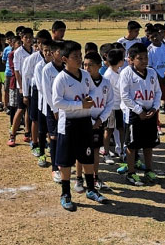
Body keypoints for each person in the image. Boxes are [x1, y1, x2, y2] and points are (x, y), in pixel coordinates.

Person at [53, 41, 106, 211]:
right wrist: (79, 105)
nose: (79, 59)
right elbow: (57, 102)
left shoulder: (85, 75)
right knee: (66, 161)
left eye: (79, 55)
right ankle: (66, 193)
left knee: (87, 156)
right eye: (75, 56)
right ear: (64, 59)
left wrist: (89, 101)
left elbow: (91, 91)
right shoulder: (61, 78)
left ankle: (91, 189)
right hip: (68, 123)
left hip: (85, 122)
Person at [119, 43, 161, 186]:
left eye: (145, 58)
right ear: (131, 59)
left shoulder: (152, 72)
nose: (144, 61)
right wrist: (139, 111)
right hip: (134, 114)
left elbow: (157, 92)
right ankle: (131, 173)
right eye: (140, 58)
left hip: (150, 113)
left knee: (149, 144)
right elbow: (125, 96)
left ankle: (149, 170)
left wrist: (155, 108)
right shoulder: (126, 73)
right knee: (132, 145)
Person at [84, 52, 114, 190]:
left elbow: (109, 103)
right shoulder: (82, 82)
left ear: (99, 65)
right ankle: (80, 178)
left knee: (95, 150)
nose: (87, 68)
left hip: (99, 122)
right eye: (85, 65)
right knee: (82, 151)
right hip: (84, 121)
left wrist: (100, 120)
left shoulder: (106, 83)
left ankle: (96, 177)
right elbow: (79, 102)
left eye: (90, 65)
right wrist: (90, 121)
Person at [23, 30, 52, 154]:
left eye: (43, 43)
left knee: (49, 120)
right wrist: (25, 94)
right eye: (38, 42)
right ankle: (34, 143)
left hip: (51, 92)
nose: (40, 45)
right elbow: (26, 76)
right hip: (36, 90)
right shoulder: (33, 58)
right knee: (35, 118)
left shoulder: (53, 57)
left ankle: (49, 143)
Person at [40, 40, 64, 182]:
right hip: (53, 109)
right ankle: (55, 168)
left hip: (66, 108)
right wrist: (55, 109)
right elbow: (46, 92)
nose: (61, 55)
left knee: (65, 137)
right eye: (59, 52)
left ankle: (64, 163)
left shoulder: (67, 68)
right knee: (54, 137)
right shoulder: (47, 69)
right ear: (53, 53)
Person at [147, 26, 165, 135]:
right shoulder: (149, 50)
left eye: (157, 35)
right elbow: (150, 67)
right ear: (149, 38)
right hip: (155, 81)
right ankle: (157, 125)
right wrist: (159, 78)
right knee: (156, 103)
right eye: (152, 37)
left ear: (161, 35)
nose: (155, 38)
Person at [10, 28, 34, 143]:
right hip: (22, 86)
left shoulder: (35, 50)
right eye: (26, 37)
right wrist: (21, 88)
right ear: (22, 38)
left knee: (29, 109)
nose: (29, 39)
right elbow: (17, 71)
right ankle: (12, 135)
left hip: (33, 85)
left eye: (30, 37)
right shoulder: (18, 52)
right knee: (20, 109)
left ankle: (27, 132)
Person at [103, 44, 125, 164]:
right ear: (119, 61)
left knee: (121, 129)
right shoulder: (108, 75)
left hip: (120, 107)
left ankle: (122, 151)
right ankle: (106, 153)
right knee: (109, 130)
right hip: (111, 107)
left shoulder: (119, 71)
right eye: (123, 58)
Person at [34, 39, 53, 167]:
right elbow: (41, 87)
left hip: (56, 105)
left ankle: (55, 152)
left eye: (50, 51)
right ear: (42, 50)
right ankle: (41, 154)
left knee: (54, 132)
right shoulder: (39, 66)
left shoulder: (60, 65)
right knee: (42, 131)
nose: (48, 53)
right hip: (43, 104)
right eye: (45, 51)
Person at [1, 31, 15, 111]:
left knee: (14, 90)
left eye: (11, 38)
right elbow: (3, 60)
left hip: (15, 73)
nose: (10, 40)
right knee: (6, 89)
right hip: (8, 72)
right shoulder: (6, 49)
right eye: (8, 39)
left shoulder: (18, 48)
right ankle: (5, 106)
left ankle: (13, 105)